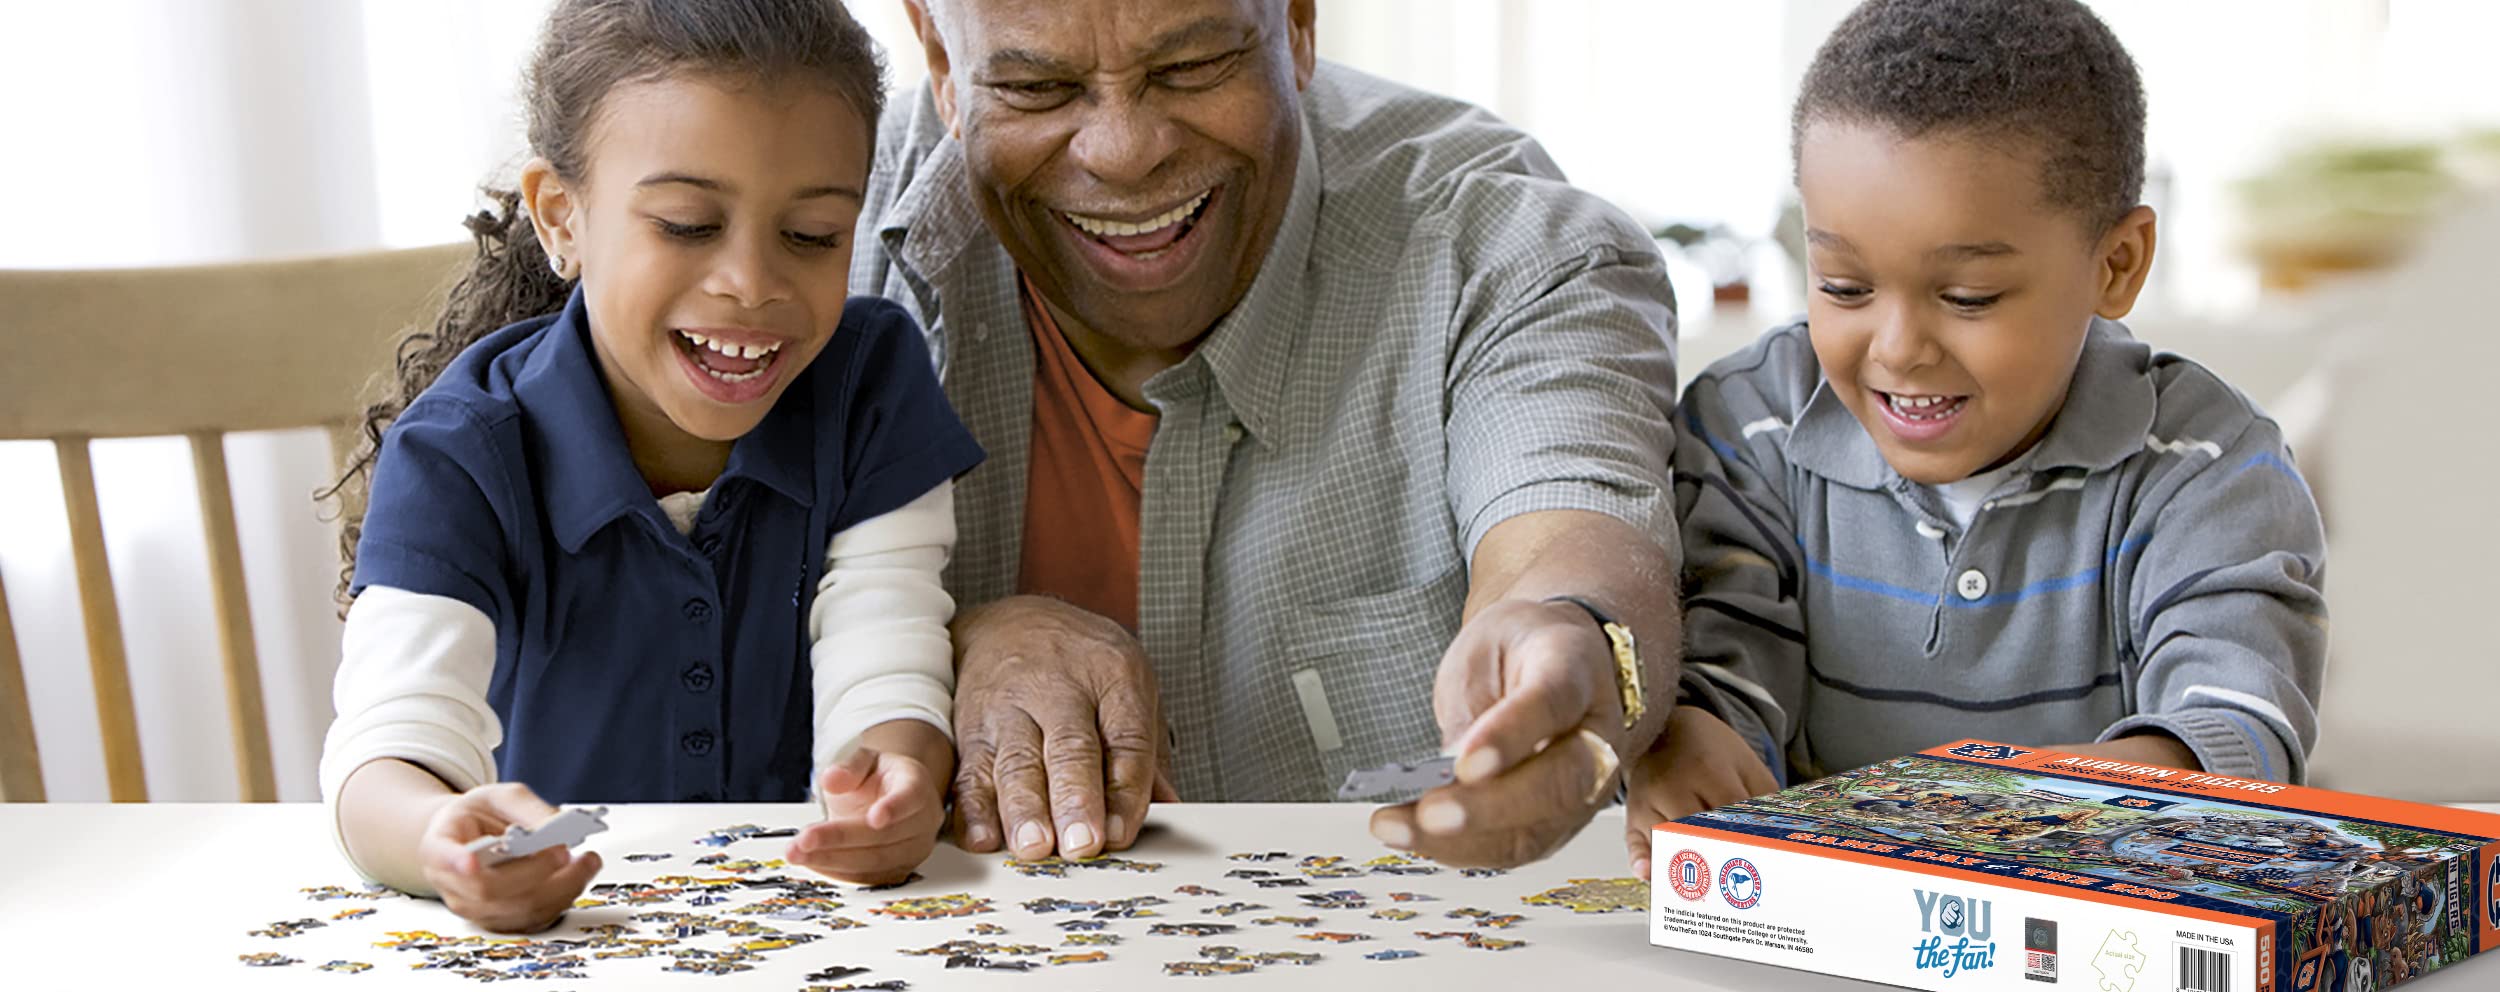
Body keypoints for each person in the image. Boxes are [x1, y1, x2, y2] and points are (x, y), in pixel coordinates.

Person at [856, 0, 1683, 869]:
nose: (1124, 151)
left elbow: (1569, 538)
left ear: (1296, 23)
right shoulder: (796, 224)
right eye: (1035, 86)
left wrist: (1576, 644)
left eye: (1192, 67)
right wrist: (937, 643)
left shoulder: (1503, 244)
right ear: (941, 61)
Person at [315, 0, 984, 932]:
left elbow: (886, 647)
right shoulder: (460, 452)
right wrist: (439, 836)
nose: (751, 282)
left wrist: (894, 778)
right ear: (561, 217)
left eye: (814, 235)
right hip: (565, 939)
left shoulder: (871, 384)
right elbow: (386, 750)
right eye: (685, 223)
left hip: (813, 929)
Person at [1626, 0, 2328, 878]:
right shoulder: (1748, 425)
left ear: (2116, 265)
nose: (1897, 348)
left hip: (2092, 917)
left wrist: (2101, 799)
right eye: (1844, 286)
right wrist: (1691, 733)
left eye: (1967, 298)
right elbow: (1728, 648)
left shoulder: (2207, 465)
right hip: (1809, 926)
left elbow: (2234, 710)